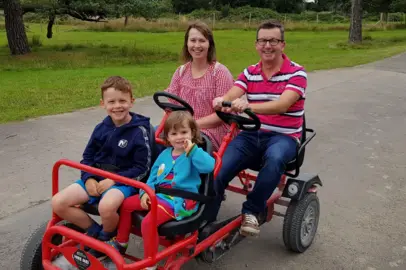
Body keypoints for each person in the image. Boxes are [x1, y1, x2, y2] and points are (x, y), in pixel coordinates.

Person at [211, 20, 307, 237]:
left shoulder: (297, 73)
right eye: (263, 40)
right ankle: (206, 216)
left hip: (284, 137)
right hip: (252, 134)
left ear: (283, 44)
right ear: (256, 45)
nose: (267, 45)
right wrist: (223, 100)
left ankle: (252, 210)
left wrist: (249, 106)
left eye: (273, 40)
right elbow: (235, 90)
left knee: (274, 159)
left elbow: (283, 104)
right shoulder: (250, 72)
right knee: (218, 167)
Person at [51, 76, 153, 257]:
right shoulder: (101, 128)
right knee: (58, 202)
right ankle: (95, 232)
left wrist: (113, 180)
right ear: (103, 104)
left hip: (124, 181)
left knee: (106, 207)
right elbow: (87, 157)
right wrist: (88, 178)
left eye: (122, 100)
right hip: (95, 176)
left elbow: (142, 167)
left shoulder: (139, 132)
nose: (117, 106)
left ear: (132, 102)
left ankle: (109, 236)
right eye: (111, 101)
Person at [104, 110, 215, 269]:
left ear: (192, 133)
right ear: (167, 137)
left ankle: (151, 262)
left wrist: (193, 150)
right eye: (174, 133)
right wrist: (144, 193)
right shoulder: (164, 154)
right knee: (126, 204)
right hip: (157, 195)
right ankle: (121, 242)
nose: (179, 137)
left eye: (184, 132)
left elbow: (209, 166)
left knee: (148, 223)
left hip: (179, 201)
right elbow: (152, 178)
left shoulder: (195, 154)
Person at [163, 21, 234, 151]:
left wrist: (191, 126)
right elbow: (172, 106)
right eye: (193, 40)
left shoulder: (219, 73)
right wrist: (180, 126)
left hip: (212, 130)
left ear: (209, 44)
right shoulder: (181, 71)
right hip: (182, 128)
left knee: (193, 143)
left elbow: (223, 115)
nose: (197, 45)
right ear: (187, 43)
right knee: (153, 135)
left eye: (202, 41)